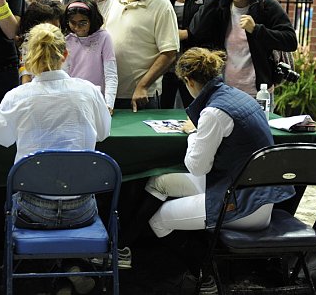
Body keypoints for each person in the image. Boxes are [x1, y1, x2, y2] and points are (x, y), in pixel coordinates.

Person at [116, 48, 295, 286]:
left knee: (157, 221)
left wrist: (195, 133)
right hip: (256, 192)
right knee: (158, 181)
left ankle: (205, 272)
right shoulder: (239, 95)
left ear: (189, 81)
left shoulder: (213, 112)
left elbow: (196, 167)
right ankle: (123, 245)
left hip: (243, 205)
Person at [0, 23, 110, 295]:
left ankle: (61, 275)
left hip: (32, 211)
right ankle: (69, 270)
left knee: (19, 200)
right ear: (65, 55)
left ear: (28, 60)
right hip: (81, 210)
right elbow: (104, 132)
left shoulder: (19, 96)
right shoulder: (88, 91)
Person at [190, 0, 297, 98]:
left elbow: (290, 41)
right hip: (223, 91)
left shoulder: (266, 6)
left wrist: (257, 30)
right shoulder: (220, 7)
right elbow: (196, 31)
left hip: (258, 94)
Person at [105, 0, 180, 112]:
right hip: (110, 93)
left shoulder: (162, 6)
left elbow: (169, 52)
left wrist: (143, 85)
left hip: (140, 96)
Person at [158, 0, 212, 109]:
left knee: (194, 115)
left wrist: (174, 35)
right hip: (168, 66)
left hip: (196, 68)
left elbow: (202, 30)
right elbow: (157, 19)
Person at [62, 0, 117, 113]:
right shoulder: (67, 40)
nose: (77, 27)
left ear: (92, 20)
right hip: (73, 101)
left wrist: (109, 104)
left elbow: (111, 74)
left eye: (83, 23)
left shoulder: (103, 37)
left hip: (97, 102)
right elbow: (65, 74)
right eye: (73, 22)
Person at [17, 0, 64, 83]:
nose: (51, 32)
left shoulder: (66, 41)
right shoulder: (27, 46)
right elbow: (26, 79)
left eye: (56, 28)